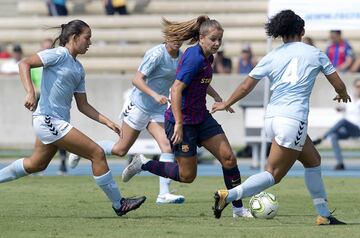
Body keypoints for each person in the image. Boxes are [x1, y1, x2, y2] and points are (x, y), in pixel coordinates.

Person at [211, 10, 349, 225]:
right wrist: (342, 94)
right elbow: (338, 83)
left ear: (281, 33)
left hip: (273, 118)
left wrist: (227, 103)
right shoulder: (314, 53)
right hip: (293, 119)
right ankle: (229, 195)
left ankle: (324, 214)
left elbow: (247, 84)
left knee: (313, 160)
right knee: (273, 174)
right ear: (302, 31)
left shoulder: (272, 55)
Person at [0, 20, 145, 216]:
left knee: (37, 164)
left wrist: (107, 121)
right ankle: (119, 204)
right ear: (74, 38)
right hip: (48, 120)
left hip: (56, 122)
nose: (90, 43)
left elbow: (83, 106)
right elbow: (24, 63)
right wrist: (30, 92)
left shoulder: (78, 68)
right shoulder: (59, 54)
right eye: (87, 38)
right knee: (97, 154)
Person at [121, 15, 252, 218]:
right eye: (213, 39)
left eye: (220, 40)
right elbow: (175, 90)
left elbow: (200, 80)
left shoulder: (208, 56)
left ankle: (238, 209)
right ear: (201, 38)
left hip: (202, 118)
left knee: (228, 158)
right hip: (182, 122)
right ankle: (143, 164)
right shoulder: (193, 57)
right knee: (187, 176)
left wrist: (217, 97)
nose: (217, 44)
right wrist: (179, 124)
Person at [68, 18, 185, 204]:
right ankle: (84, 149)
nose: (177, 40)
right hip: (139, 105)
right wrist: (155, 95)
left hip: (156, 109)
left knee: (167, 146)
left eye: (181, 37)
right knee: (120, 149)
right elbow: (137, 80)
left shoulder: (181, 57)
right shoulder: (156, 54)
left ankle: (163, 193)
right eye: (174, 36)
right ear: (166, 37)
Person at [31, 38, 68, 175]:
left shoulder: (57, 63)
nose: (47, 51)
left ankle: (63, 161)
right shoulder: (37, 65)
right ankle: (36, 162)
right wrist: (32, 92)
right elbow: (32, 80)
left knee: (60, 132)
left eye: (49, 48)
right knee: (41, 131)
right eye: (44, 48)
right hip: (40, 98)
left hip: (55, 101)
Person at [313, 79, 360, 170]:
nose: (359, 89)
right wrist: (340, 109)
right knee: (333, 136)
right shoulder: (349, 99)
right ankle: (340, 163)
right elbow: (348, 109)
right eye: (358, 87)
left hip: (357, 129)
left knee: (343, 121)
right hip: (347, 129)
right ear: (355, 87)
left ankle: (321, 138)